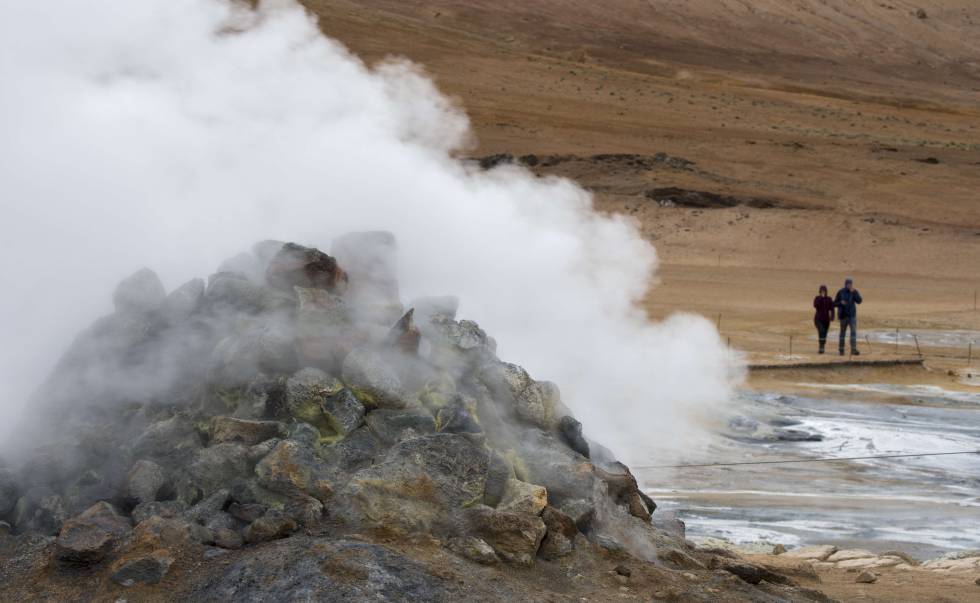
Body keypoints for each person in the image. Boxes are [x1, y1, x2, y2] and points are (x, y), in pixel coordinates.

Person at [834, 277, 863, 356]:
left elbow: (859, 301)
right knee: (842, 333)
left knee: (853, 332)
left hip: (852, 316)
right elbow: (834, 303)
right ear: (845, 284)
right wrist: (841, 303)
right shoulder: (841, 292)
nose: (849, 285)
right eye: (848, 284)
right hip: (843, 316)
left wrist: (855, 293)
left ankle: (853, 349)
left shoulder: (854, 292)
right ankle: (841, 350)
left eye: (850, 284)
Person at [813, 285, 834, 354]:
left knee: (824, 334)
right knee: (821, 332)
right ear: (820, 291)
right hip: (818, 319)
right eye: (821, 291)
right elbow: (815, 305)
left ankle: (823, 345)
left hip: (826, 320)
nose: (823, 292)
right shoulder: (817, 298)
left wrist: (832, 317)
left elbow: (832, 308)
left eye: (824, 291)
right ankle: (821, 347)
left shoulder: (829, 299)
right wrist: (821, 298)